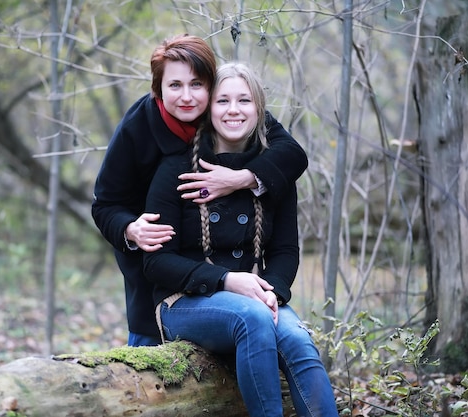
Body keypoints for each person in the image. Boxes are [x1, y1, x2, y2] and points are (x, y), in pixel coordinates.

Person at [143, 63, 338, 417]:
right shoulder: (175, 169)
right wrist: (227, 280)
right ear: (208, 109)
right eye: (223, 101)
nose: (234, 110)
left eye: (244, 100)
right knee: (250, 318)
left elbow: (284, 251)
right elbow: (156, 262)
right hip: (182, 303)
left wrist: (273, 290)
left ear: (259, 110)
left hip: (257, 298)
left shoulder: (272, 172)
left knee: (298, 341)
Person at [91, 34, 308, 347]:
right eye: (175, 86)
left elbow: (292, 153)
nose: (187, 97)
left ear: (210, 86)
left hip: (216, 260)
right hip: (155, 250)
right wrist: (129, 228)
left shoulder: (224, 108)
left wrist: (241, 178)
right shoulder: (136, 129)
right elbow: (104, 205)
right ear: (158, 90)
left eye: (197, 84)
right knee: (149, 341)